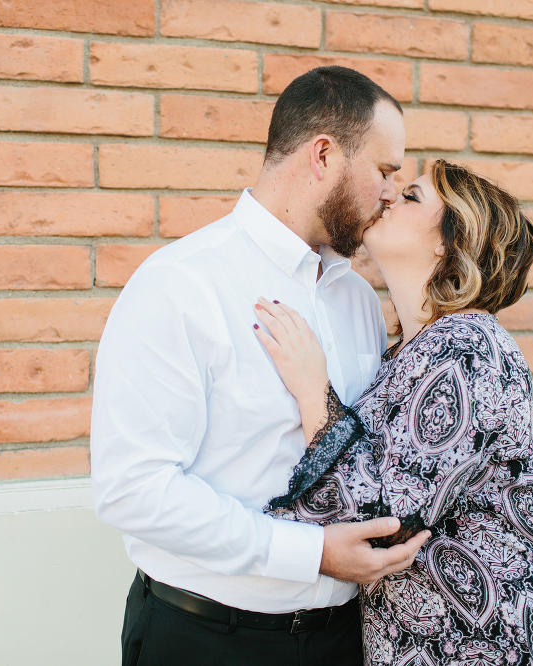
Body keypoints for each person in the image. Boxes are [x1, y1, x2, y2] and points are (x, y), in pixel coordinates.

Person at [91, 66, 431, 666]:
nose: (388, 193)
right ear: (323, 155)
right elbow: (133, 490)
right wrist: (311, 553)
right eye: (383, 171)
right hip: (206, 640)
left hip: (342, 639)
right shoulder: (182, 285)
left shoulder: (356, 299)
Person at [254, 160, 533, 666]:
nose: (389, 196)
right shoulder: (411, 351)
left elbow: (384, 521)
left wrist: (313, 390)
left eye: (412, 196)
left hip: (495, 644)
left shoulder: (467, 346)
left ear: (449, 245)